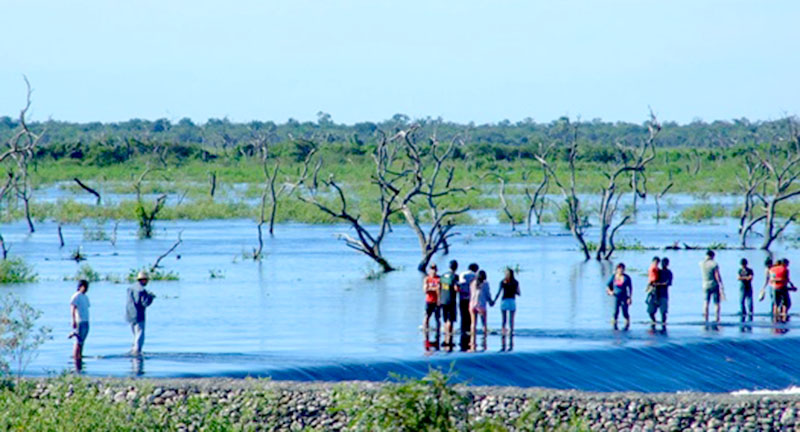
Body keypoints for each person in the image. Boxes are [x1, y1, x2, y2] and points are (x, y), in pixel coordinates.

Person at [126, 270, 155, 356]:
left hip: (130, 315)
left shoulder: (130, 288)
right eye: (146, 280)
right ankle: (137, 353)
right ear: (143, 280)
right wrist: (150, 297)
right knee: (139, 335)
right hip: (139, 316)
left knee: (135, 335)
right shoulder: (142, 290)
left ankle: (134, 350)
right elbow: (145, 303)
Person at [69, 279, 90, 369]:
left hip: (86, 321)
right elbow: (73, 308)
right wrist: (73, 320)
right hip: (79, 321)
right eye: (85, 287)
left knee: (82, 341)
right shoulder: (76, 296)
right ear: (80, 287)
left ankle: (80, 357)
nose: (86, 289)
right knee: (78, 341)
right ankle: (75, 359)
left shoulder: (85, 297)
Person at [493, 267, 520, 335]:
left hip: (504, 301)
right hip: (512, 301)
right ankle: (511, 332)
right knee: (511, 320)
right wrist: (513, 290)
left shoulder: (502, 282)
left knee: (504, 319)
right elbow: (519, 293)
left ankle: (503, 332)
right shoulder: (515, 282)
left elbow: (498, 293)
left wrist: (494, 301)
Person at [469, 270, 493, 348]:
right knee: (484, 324)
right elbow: (487, 294)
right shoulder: (485, 284)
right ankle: (484, 341)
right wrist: (490, 301)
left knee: (473, 323)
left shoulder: (472, 283)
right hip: (481, 305)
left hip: (472, 305)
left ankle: (472, 341)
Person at [700, 250, 725, 322]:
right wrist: (721, 284)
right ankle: (717, 317)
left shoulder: (702, 263)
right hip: (714, 284)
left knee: (706, 302)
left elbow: (702, 261)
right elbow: (717, 275)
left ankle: (705, 317)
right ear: (713, 256)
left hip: (705, 285)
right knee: (716, 303)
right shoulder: (714, 264)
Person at [606, 263, 632, 330]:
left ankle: (627, 324)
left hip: (624, 297)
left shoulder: (627, 278)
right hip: (616, 296)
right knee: (615, 311)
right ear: (617, 269)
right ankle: (614, 325)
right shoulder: (613, 277)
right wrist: (610, 292)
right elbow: (607, 285)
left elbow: (630, 288)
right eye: (619, 269)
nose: (621, 270)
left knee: (625, 311)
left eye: (622, 269)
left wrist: (629, 298)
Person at [648, 258, 672, 326]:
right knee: (650, 311)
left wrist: (657, 284)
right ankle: (654, 321)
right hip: (655, 294)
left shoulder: (669, 273)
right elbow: (652, 280)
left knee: (663, 311)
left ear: (668, 264)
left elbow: (668, 283)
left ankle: (663, 323)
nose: (663, 264)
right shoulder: (658, 271)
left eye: (665, 263)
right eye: (662, 263)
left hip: (663, 294)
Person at [439, 260, 459, 342]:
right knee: (450, 319)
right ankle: (449, 336)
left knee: (445, 319)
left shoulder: (443, 275)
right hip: (451, 300)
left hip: (443, 300)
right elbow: (456, 288)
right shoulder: (454, 276)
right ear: (456, 267)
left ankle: (445, 335)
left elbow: (439, 287)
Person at [458, 263, 478, 335]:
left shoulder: (462, 274)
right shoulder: (475, 275)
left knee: (463, 315)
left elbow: (459, 285)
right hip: (470, 298)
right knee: (469, 316)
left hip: (462, 297)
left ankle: (462, 329)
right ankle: (469, 330)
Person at [422, 264, 441, 334]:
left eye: (434, 269)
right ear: (429, 270)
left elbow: (440, 289)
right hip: (429, 300)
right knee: (426, 316)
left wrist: (432, 289)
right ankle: (425, 331)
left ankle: (438, 331)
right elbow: (425, 290)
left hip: (437, 301)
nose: (433, 271)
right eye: (432, 269)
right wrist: (435, 289)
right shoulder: (427, 279)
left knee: (437, 318)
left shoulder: (439, 279)